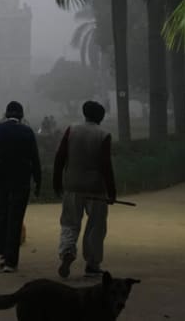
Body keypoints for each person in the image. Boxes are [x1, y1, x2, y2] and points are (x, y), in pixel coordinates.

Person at [53, 100, 116, 279]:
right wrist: (112, 191)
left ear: (84, 114)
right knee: (96, 226)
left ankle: (67, 252)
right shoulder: (104, 134)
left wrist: (57, 181)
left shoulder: (71, 130)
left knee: (69, 223)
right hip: (96, 188)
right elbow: (106, 165)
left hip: (72, 185)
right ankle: (92, 264)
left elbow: (60, 157)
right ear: (101, 117)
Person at [0, 101, 41, 273]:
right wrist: (37, 181)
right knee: (16, 217)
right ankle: (11, 260)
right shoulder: (27, 132)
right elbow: (35, 159)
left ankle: (2, 253)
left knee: (3, 214)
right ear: (22, 116)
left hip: (1, 179)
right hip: (21, 180)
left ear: (6, 114)